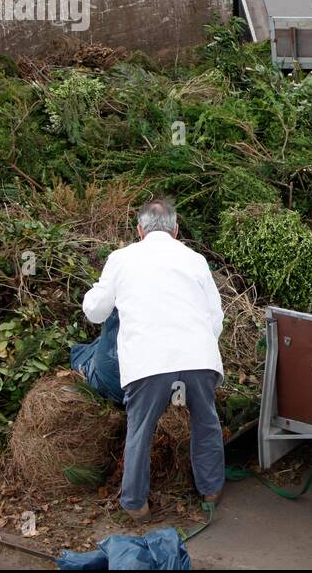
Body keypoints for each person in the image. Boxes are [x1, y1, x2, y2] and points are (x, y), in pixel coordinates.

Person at [82, 199, 225, 520]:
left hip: (148, 363)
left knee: (140, 430)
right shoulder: (196, 259)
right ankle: (211, 490)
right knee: (206, 422)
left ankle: (136, 505)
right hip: (198, 358)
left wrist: (94, 293)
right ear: (176, 230)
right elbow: (216, 317)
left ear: (139, 230)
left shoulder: (121, 258)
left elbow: (95, 312)